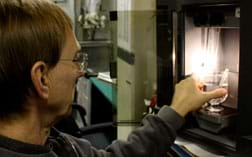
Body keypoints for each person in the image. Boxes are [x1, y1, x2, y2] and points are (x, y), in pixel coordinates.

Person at [0, 0, 227, 157]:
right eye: (75, 59)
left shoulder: (56, 143)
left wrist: (176, 110)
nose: (81, 71)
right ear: (42, 78)